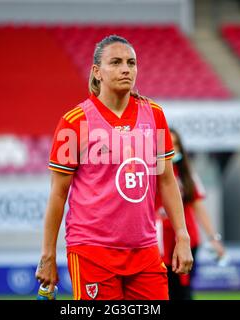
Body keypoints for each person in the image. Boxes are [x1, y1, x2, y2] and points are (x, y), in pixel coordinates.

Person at [35, 35, 193, 300]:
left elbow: (166, 180)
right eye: (116, 62)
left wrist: (182, 236)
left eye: (131, 63)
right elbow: (58, 194)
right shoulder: (74, 122)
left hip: (145, 251)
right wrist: (48, 255)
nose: (126, 69)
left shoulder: (154, 114)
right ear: (97, 72)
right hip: (92, 252)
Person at [156, 128, 226, 300]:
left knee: (182, 290)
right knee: (161, 291)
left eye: (176, 144)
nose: (173, 148)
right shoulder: (150, 172)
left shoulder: (188, 175)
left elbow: (199, 208)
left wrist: (213, 239)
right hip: (158, 242)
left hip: (186, 240)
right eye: (169, 144)